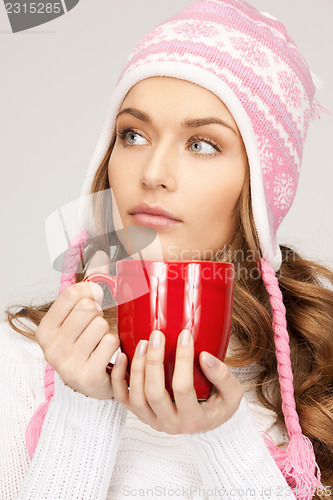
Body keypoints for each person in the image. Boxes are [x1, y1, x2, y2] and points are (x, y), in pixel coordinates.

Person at [1, 0, 332, 498]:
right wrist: (82, 406)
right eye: (132, 135)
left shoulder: (316, 388)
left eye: (202, 143)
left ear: (262, 188)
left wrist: (223, 437)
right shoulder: (21, 365)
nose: (152, 174)